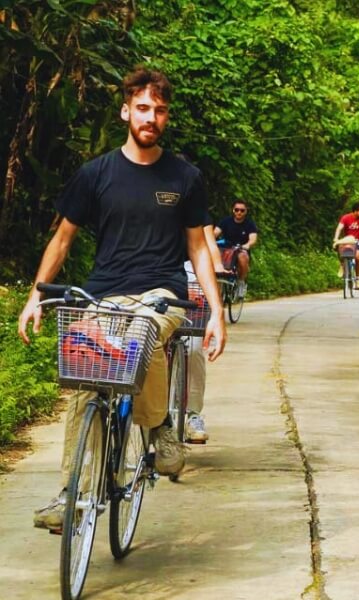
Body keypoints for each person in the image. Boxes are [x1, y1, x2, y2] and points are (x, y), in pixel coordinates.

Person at [18, 67, 226, 530]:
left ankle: (157, 425)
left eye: (160, 110)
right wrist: (34, 296)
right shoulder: (95, 174)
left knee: (141, 338)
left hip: (162, 293)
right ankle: (71, 494)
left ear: (166, 117)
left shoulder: (185, 177)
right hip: (103, 293)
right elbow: (62, 239)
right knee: (85, 372)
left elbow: (197, 247)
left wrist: (214, 311)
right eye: (143, 108)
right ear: (126, 111)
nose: (151, 117)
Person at [184, 214, 227, 443]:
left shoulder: (193, 205)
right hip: (153, 278)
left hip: (192, 279)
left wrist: (217, 268)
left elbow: (207, 244)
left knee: (193, 349)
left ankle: (193, 414)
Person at [215, 199, 257, 296]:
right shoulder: (225, 221)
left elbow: (253, 239)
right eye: (237, 210)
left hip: (240, 249)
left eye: (242, 210)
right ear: (233, 210)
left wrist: (247, 245)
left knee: (243, 257)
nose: (239, 212)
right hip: (226, 249)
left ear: (246, 211)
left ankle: (241, 282)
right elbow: (215, 233)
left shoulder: (250, 224)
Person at [333, 203, 359, 287]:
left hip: (358, 241)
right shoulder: (345, 217)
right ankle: (342, 264)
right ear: (355, 211)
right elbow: (339, 228)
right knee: (338, 246)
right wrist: (336, 238)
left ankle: (357, 279)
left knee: (358, 257)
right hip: (347, 240)